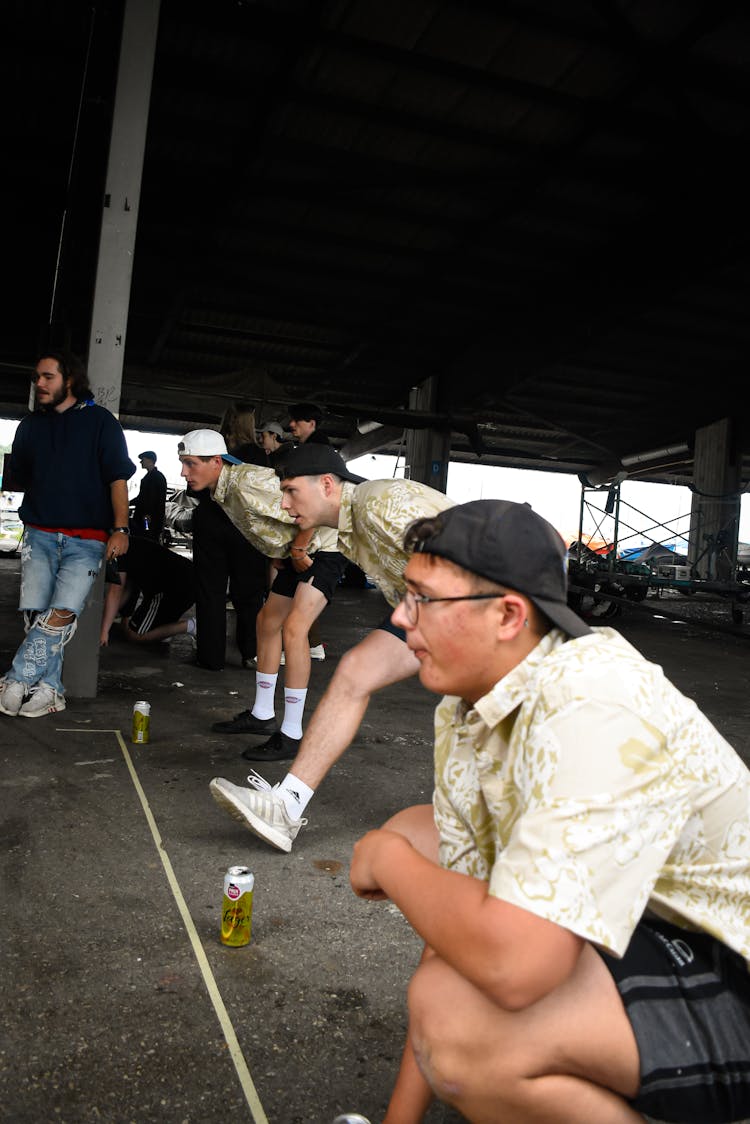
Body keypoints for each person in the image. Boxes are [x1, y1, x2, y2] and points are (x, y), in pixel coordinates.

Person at [346, 499, 750, 1124]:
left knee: (465, 1030)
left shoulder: (595, 704)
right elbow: (461, 928)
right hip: (661, 919)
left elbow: (514, 965)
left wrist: (388, 863)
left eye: (424, 599)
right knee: (417, 846)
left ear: (508, 615)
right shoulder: (467, 702)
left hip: (731, 961)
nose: (401, 618)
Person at [209, 443, 454, 851]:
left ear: (326, 484)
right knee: (354, 672)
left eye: (290, 492)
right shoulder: (351, 524)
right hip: (428, 609)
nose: (284, 505)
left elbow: (461, 558)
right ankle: (286, 806)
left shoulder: (379, 502)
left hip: (485, 614)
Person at [0, 350, 135, 718]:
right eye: (36, 378)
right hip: (40, 534)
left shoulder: (101, 422)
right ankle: (50, 688)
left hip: (87, 538)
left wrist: (121, 528)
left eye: (47, 377)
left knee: (62, 611)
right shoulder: (29, 426)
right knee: (36, 614)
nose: (39, 384)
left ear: (69, 380)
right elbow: (21, 474)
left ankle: (16, 678)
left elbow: (117, 479)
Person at [190, 407, 268, 670]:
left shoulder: (215, 454)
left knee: (210, 592)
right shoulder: (257, 455)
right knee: (250, 593)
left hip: (210, 525)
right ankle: (250, 653)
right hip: (245, 529)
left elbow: (198, 491)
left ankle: (210, 657)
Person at [99, 535, 196, 646]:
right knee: (135, 626)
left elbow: (115, 593)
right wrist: (105, 619)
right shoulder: (129, 543)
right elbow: (127, 590)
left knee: (134, 635)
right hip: (184, 581)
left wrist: (103, 632)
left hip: (173, 590)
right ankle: (162, 629)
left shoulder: (117, 549)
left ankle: (192, 626)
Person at [130, 450, 167, 539]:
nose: (141, 462)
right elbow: (143, 497)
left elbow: (151, 499)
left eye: (143, 459)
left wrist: (148, 514)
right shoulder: (153, 477)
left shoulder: (155, 478)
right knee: (146, 538)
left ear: (150, 460)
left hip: (148, 519)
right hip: (147, 517)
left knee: (147, 537)